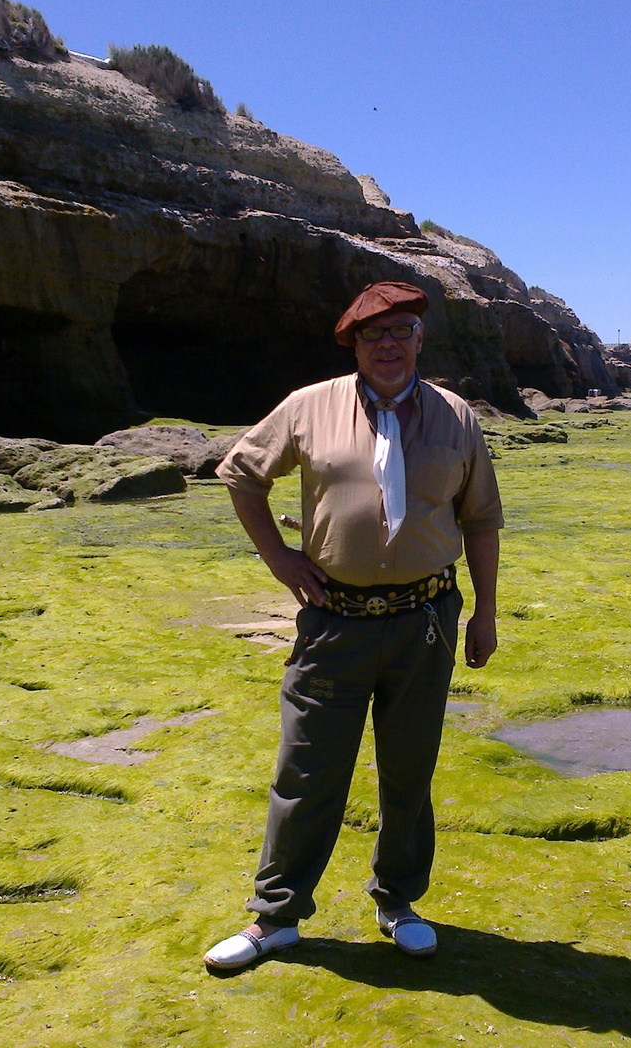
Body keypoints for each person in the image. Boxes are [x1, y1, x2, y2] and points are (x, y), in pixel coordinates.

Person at [204, 280, 504, 971]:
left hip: (425, 624)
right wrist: (280, 560)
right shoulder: (309, 407)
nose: (389, 344)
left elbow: (480, 519)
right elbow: (242, 475)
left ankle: (397, 902)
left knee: (408, 774)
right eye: (374, 335)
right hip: (334, 625)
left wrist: (485, 614)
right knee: (306, 772)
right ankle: (276, 919)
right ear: (355, 344)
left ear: (420, 340)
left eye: (401, 331)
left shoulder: (456, 416)